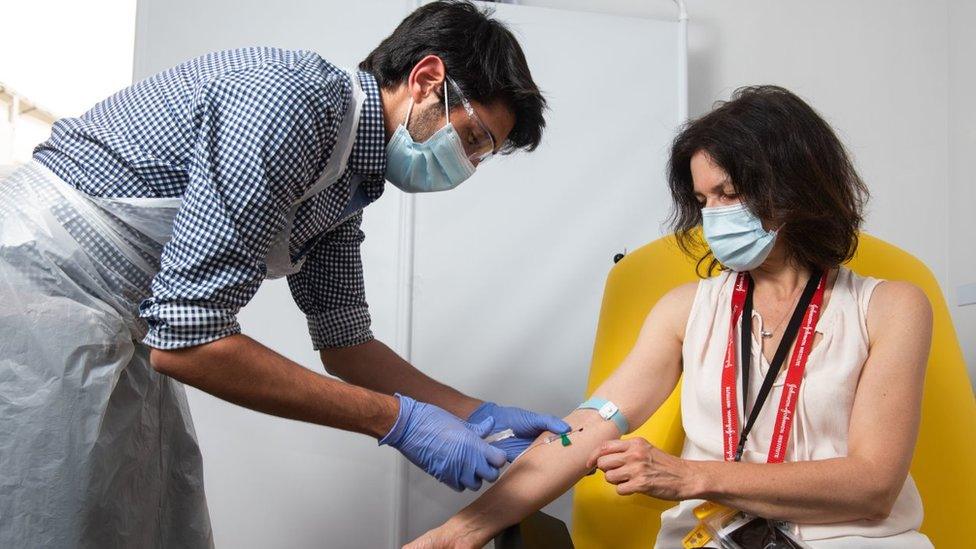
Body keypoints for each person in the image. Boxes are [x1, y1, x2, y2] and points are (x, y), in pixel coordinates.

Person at [0, 1, 570, 546]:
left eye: (479, 156)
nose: (464, 166)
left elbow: (347, 344)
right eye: (470, 139)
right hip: (39, 287)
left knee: (148, 513)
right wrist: (396, 420)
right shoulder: (289, 105)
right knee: (44, 516)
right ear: (426, 80)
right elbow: (190, 342)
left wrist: (476, 415)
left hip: (122, 318)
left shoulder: (350, 178)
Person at [406, 86, 934, 549]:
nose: (715, 216)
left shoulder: (890, 308)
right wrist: (461, 531)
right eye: (704, 200)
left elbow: (873, 485)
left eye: (729, 193)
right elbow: (583, 431)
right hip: (712, 539)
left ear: (795, 187)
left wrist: (689, 476)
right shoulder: (685, 312)